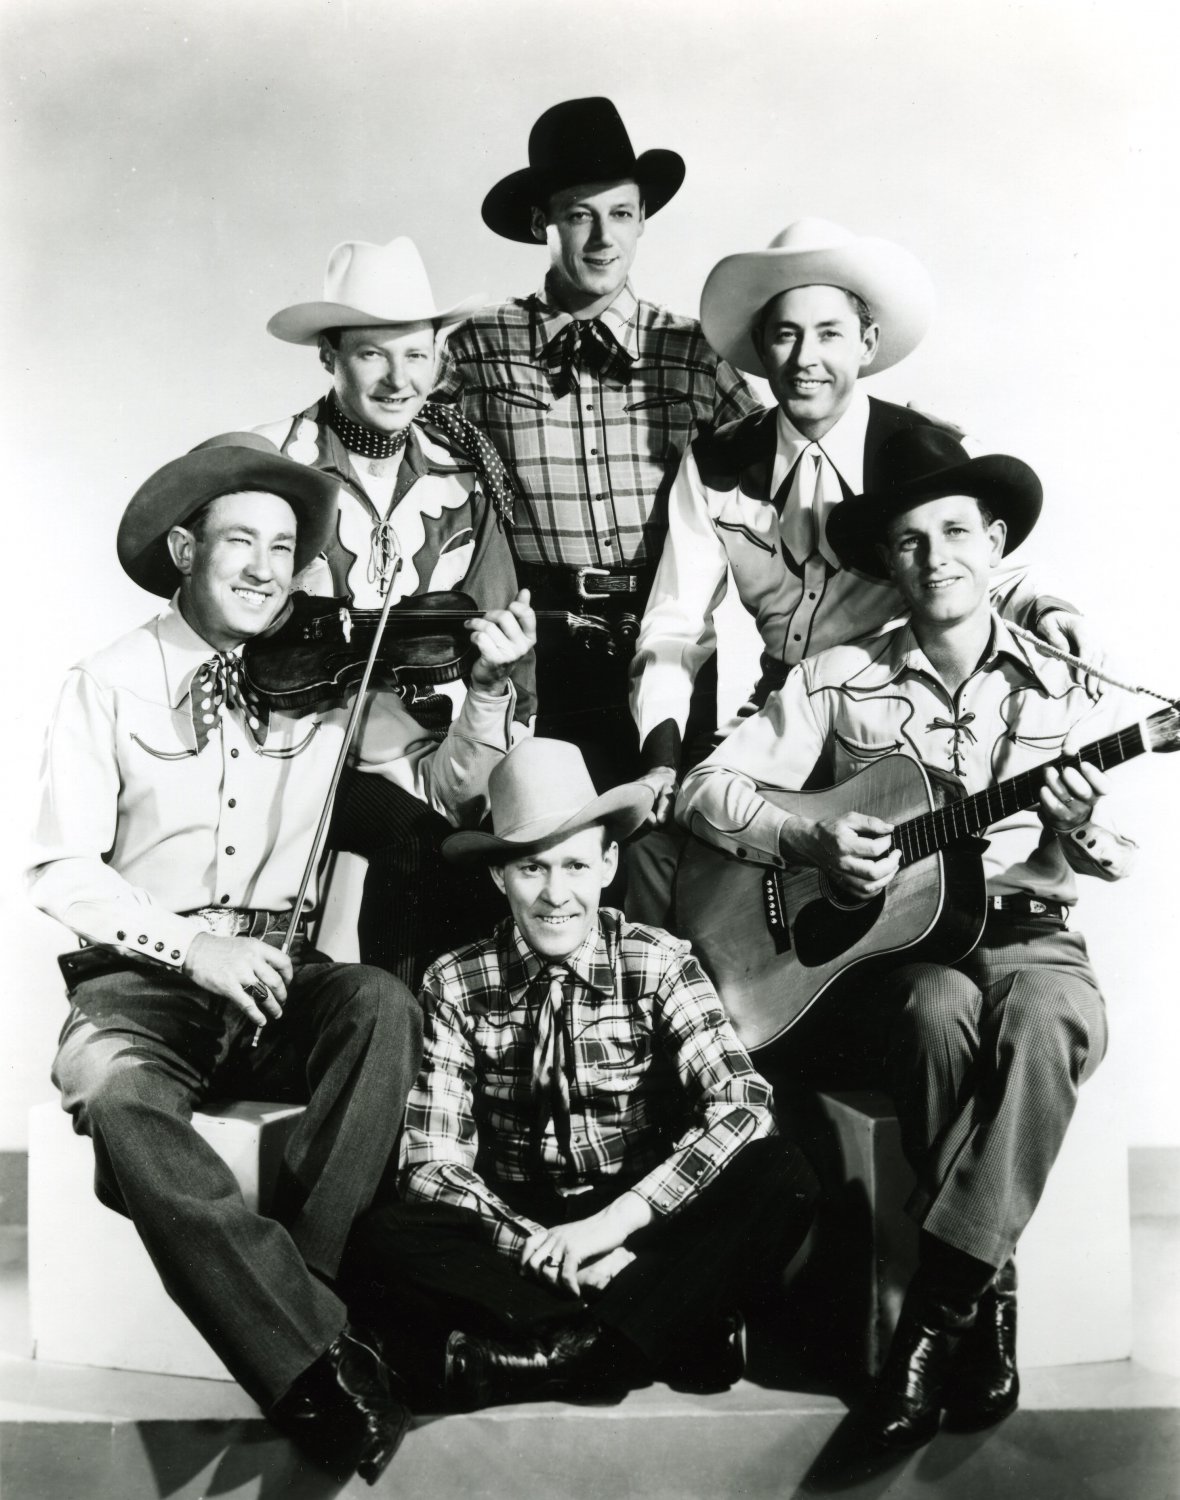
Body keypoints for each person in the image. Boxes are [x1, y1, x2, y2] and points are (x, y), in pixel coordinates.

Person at [28, 433, 535, 1483]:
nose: (267, 568)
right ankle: (320, 1363)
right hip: (140, 988)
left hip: (275, 979)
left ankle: (302, 1306)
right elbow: (58, 869)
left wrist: (485, 693)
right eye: (239, 543)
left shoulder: (329, 680)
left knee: (381, 1006)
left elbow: (443, 793)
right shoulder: (109, 682)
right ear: (183, 548)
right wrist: (190, 946)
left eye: (284, 546)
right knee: (118, 1103)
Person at [677, 425, 1137, 1449]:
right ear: (887, 561)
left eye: (955, 534)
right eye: (910, 542)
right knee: (935, 1012)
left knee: (1055, 1015)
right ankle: (980, 1299)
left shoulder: (1065, 678)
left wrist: (1077, 832)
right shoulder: (837, 674)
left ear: (997, 544)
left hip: (1029, 930)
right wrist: (806, 833)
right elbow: (706, 789)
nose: (935, 559)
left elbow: (1105, 858)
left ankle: (944, 1313)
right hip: (912, 950)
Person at [343, 738, 818, 1410]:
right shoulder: (453, 981)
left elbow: (742, 1102)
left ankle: (548, 1357)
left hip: (639, 1212)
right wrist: (549, 1248)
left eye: (574, 864)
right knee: (383, 1238)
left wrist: (613, 1226)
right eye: (532, 869)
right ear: (497, 878)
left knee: (783, 1173)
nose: (556, 894)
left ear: (608, 864)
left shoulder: (659, 961)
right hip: (522, 1216)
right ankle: (660, 1323)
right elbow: (431, 1164)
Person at [632, 219, 1096, 844]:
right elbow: (675, 620)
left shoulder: (927, 448)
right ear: (760, 346)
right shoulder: (716, 465)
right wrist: (662, 756)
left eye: (829, 334)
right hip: (783, 713)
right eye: (786, 336)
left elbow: (981, 563)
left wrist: (1049, 606)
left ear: (867, 342)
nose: (805, 361)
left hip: (891, 716)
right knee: (675, 854)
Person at [432, 96, 762, 799]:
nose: (602, 239)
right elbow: (398, 457)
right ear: (539, 224)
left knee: (663, 841)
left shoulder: (693, 352)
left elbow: (784, 478)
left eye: (620, 214)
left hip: (668, 640)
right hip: (537, 641)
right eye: (579, 215)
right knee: (544, 838)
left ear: (643, 219)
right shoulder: (477, 347)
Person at [257, 234, 533, 984]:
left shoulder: (464, 479)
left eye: (416, 354)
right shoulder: (272, 467)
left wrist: (500, 675)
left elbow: (500, 636)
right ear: (329, 356)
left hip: (437, 746)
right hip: (302, 748)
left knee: (501, 854)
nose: (397, 378)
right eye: (372, 354)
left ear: (440, 357)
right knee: (415, 848)